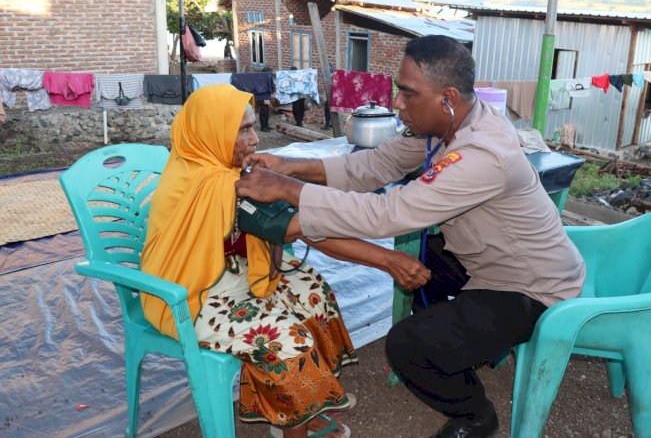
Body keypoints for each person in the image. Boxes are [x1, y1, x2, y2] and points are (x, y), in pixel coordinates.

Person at [235, 35, 586, 437]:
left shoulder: (483, 155)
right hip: (491, 259)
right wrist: (288, 166)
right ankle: (457, 346)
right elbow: (372, 166)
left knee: (406, 345)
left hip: (531, 287)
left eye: (407, 92)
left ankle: (475, 415)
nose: (397, 103)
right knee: (423, 259)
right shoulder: (446, 123)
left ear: (447, 98)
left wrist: (287, 189)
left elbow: (390, 213)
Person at [140, 84, 430, 438]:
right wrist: (387, 259)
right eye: (243, 130)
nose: (254, 140)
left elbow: (302, 221)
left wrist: (290, 183)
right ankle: (295, 425)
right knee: (285, 340)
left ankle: (308, 404)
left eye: (252, 127)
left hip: (231, 270)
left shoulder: (218, 169)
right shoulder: (217, 183)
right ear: (211, 134)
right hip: (189, 293)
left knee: (314, 294)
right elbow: (302, 228)